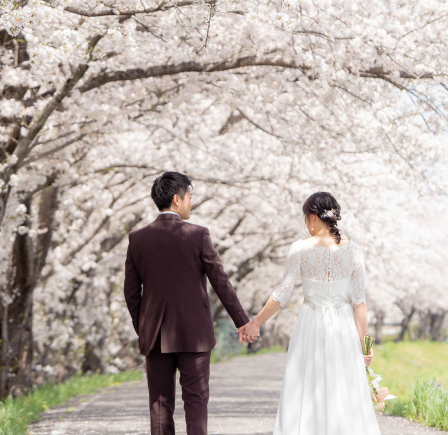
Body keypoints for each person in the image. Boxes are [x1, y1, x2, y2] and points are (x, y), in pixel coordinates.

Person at [123, 171, 255, 435]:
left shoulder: (137, 238)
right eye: (189, 197)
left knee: (160, 404)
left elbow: (131, 292)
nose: (191, 203)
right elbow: (220, 282)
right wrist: (242, 321)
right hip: (195, 334)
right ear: (177, 199)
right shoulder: (198, 235)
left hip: (155, 335)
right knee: (196, 401)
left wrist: (145, 327)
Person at [241, 191, 381, 435]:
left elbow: (282, 294)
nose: (306, 224)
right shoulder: (354, 251)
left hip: (311, 323)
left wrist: (256, 322)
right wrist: (364, 343)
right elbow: (359, 302)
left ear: (313, 217)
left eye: (306, 218)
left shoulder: (300, 248)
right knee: (343, 383)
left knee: (306, 382)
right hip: (342, 326)